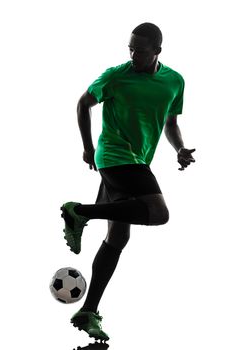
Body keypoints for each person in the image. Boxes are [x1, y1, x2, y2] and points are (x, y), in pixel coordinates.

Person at [60, 22, 195, 342]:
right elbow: (83, 103)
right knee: (159, 212)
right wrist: (88, 147)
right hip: (115, 156)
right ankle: (79, 212)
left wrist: (179, 150)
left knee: (117, 239)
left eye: (140, 49)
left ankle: (87, 311)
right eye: (130, 48)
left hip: (137, 159)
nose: (133, 54)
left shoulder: (174, 81)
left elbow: (170, 122)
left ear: (157, 51)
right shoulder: (116, 76)